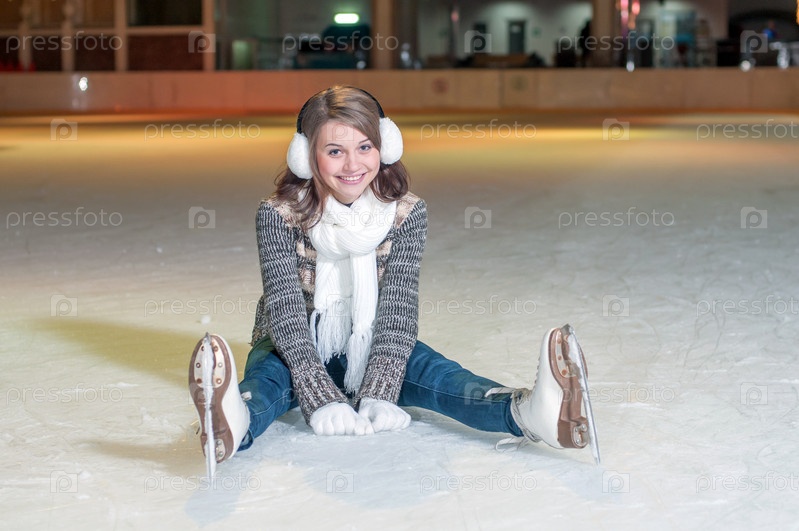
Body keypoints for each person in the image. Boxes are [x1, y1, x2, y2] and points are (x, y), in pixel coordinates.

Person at [188, 86, 598, 468]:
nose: (353, 165)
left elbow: (399, 308)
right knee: (268, 382)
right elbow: (286, 314)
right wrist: (320, 396)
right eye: (335, 151)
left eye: (365, 147)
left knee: (440, 376)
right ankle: (234, 421)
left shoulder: (406, 212)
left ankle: (530, 413)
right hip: (294, 346)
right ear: (305, 156)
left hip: (378, 343)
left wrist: (381, 391)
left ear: (385, 146)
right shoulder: (279, 214)